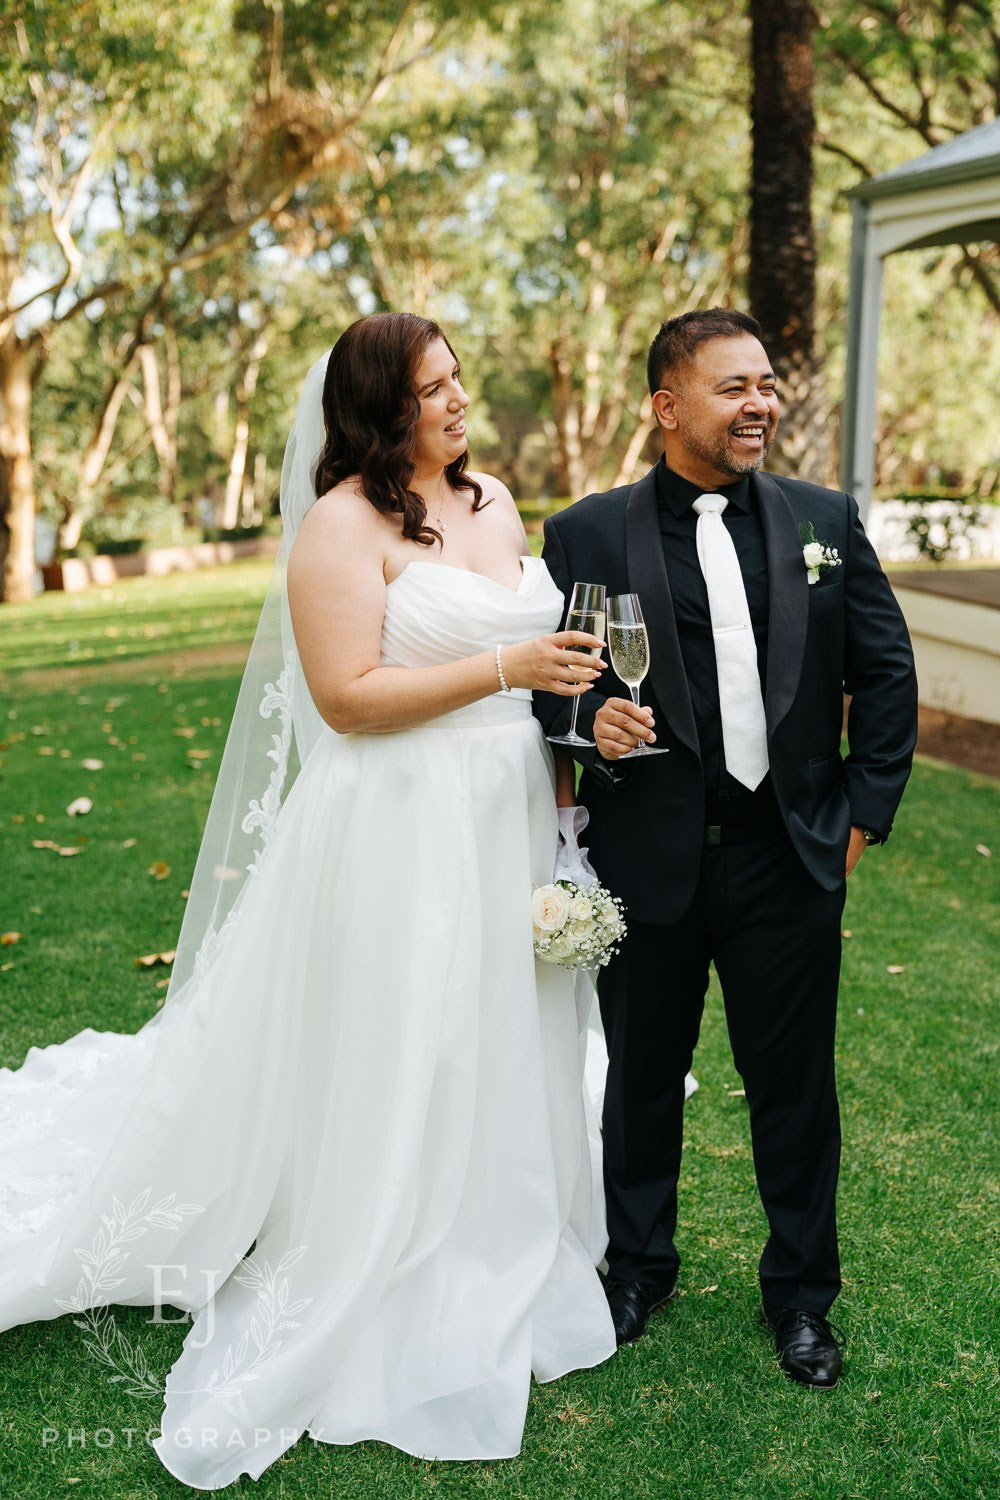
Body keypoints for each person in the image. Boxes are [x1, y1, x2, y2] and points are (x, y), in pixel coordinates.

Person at [0, 313, 618, 1490]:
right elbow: (345, 698)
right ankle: (383, 1236)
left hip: (509, 817)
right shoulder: (339, 526)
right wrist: (506, 668)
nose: (456, 402)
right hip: (399, 822)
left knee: (497, 1026)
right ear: (380, 408)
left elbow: (541, 678)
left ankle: (509, 1226)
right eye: (431, 389)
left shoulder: (490, 506)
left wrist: (561, 796)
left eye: (457, 381)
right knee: (405, 1037)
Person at [534, 308, 918, 1388]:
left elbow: (883, 674)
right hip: (646, 858)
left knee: (794, 1088)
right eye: (732, 388)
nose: (760, 404)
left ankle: (801, 1297)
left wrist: (859, 811)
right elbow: (552, 696)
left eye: (764, 386)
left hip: (784, 856)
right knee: (641, 1080)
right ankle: (636, 1270)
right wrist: (583, 725)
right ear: (667, 407)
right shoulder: (586, 534)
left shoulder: (823, 520)